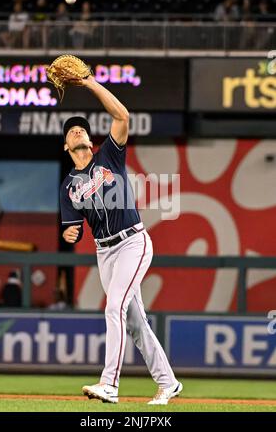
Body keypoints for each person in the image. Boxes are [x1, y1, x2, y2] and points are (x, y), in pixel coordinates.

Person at [60, 74, 183, 405]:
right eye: (71, 131)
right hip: (105, 253)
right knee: (134, 322)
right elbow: (71, 227)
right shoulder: (69, 187)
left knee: (113, 306)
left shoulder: (108, 157)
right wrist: (68, 232)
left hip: (133, 242)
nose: (77, 131)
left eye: (81, 128)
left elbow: (122, 116)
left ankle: (109, 384)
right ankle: (168, 382)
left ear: (89, 138)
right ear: (66, 146)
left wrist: (87, 83)